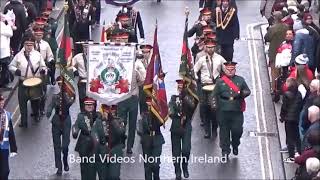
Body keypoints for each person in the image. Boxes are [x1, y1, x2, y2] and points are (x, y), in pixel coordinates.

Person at [212, 61, 251, 159]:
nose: (230, 71)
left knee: (237, 130)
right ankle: (225, 150)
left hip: (236, 110)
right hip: (223, 110)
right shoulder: (220, 81)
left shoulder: (240, 80)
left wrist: (243, 93)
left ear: (235, 70)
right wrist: (214, 106)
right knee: (224, 131)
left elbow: (247, 90)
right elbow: (214, 95)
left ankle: (235, 144)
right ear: (225, 70)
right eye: (228, 70)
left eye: (232, 69)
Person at [9, 34, 47, 127]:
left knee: (35, 101)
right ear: (24, 44)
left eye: (31, 44)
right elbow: (11, 66)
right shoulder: (18, 56)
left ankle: (36, 115)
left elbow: (43, 66)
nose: (29, 46)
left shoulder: (38, 55)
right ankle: (24, 121)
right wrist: (16, 71)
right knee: (22, 103)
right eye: (27, 44)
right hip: (23, 82)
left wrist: (43, 71)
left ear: (33, 44)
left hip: (35, 82)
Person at [194, 39, 226, 138]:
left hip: (215, 86)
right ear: (205, 47)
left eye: (212, 47)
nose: (210, 49)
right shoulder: (202, 59)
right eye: (208, 47)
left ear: (215, 47)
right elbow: (194, 70)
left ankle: (214, 129)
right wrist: (196, 78)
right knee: (205, 109)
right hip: (204, 86)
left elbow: (226, 70)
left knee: (214, 110)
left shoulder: (220, 59)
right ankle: (207, 131)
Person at [46, 76, 75, 176]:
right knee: (57, 146)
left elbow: (70, 103)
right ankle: (59, 167)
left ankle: (65, 160)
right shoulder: (55, 97)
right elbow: (49, 108)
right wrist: (50, 116)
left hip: (66, 121)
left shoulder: (69, 96)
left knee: (65, 146)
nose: (60, 85)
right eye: (59, 84)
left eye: (62, 84)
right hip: (57, 122)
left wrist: (65, 93)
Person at [72, 97, 105, 180]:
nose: (89, 106)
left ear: (94, 106)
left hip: (94, 144)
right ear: (84, 106)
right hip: (83, 144)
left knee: (92, 169)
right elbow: (76, 125)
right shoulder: (81, 116)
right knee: (84, 168)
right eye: (87, 105)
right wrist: (75, 131)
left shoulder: (98, 116)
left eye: (91, 104)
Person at [169, 79, 193, 180]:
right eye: (179, 85)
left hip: (186, 125)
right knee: (176, 152)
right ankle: (177, 170)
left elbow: (192, 106)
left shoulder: (189, 97)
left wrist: (186, 97)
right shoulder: (173, 98)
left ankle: (185, 166)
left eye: (182, 85)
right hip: (176, 125)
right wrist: (177, 114)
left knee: (186, 150)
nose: (180, 87)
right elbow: (170, 110)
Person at [264, 11, 289, 101]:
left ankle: (274, 89)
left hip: (274, 52)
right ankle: (283, 87)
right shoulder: (286, 26)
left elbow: (267, 38)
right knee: (284, 71)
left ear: (275, 18)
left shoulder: (273, 28)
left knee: (275, 72)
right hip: (284, 51)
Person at [97, 104, 126, 180]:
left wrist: (112, 120)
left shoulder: (120, 120)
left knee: (114, 176)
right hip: (102, 150)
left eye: (112, 111)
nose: (109, 112)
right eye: (106, 110)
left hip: (115, 149)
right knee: (103, 177)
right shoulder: (98, 121)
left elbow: (121, 132)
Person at [140, 96, 165, 180]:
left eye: (150, 102)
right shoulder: (143, 114)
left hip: (157, 139)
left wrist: (155, 113)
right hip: (146, 140)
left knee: (155, 164)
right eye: (147, 102)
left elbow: (161, 122)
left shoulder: (157, 113)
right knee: (147, 165)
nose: (149, 104)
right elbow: (140, 127)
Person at [280, 78, 303, 163]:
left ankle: (291, 156)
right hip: (296, 118)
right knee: (296, 136)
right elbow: (300, 106)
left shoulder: (286, 94)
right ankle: (300, 152)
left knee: (289, 137)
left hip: (288, 119)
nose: (285, 83)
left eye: (286, 82)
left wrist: (282, 117)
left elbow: (284, 108)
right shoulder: (299, 94)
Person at [33, 27, 55, 115]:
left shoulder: (46, 44)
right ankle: (35, 109)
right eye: (37, 35)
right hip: (33, 71)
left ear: (42, 35)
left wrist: (50, 61)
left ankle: (41, 108)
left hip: (43, 70)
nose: (38, 36)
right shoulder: (30, 45)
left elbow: (50, 56)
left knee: (43, 90)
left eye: (40, 35)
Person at [0, 94, 17, 180]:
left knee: (5, 171)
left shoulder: (7, 115)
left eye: (2, 102)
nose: (2, 104)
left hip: (4, 148)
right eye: (0, 102)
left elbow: (11, 132)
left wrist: (13, 148)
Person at [70, 41, 91, 112]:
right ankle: (82, 113)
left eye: (87, 47)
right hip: (82, 80)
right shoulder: (78, 56)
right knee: (82, 99)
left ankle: (93, 116)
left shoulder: (95, 56)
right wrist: (75, 70)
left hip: (92, 81)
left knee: (92, 99)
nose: (86, 49)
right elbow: (69, 64)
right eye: (84, 47)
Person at [136, 44, 152, 115]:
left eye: (147, 52)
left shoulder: (152, 61)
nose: (145, 54)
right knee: (142, 104)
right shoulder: (137, 63)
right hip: (141, 87)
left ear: (150, 52)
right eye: (143, 52)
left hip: (151, 87)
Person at [0, 12, 15, 88]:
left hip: (3, 51)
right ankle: (3, 83)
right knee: (4, 67)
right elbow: (10, 33)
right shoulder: (2, 26)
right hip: (3, 51)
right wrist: (9, 25)